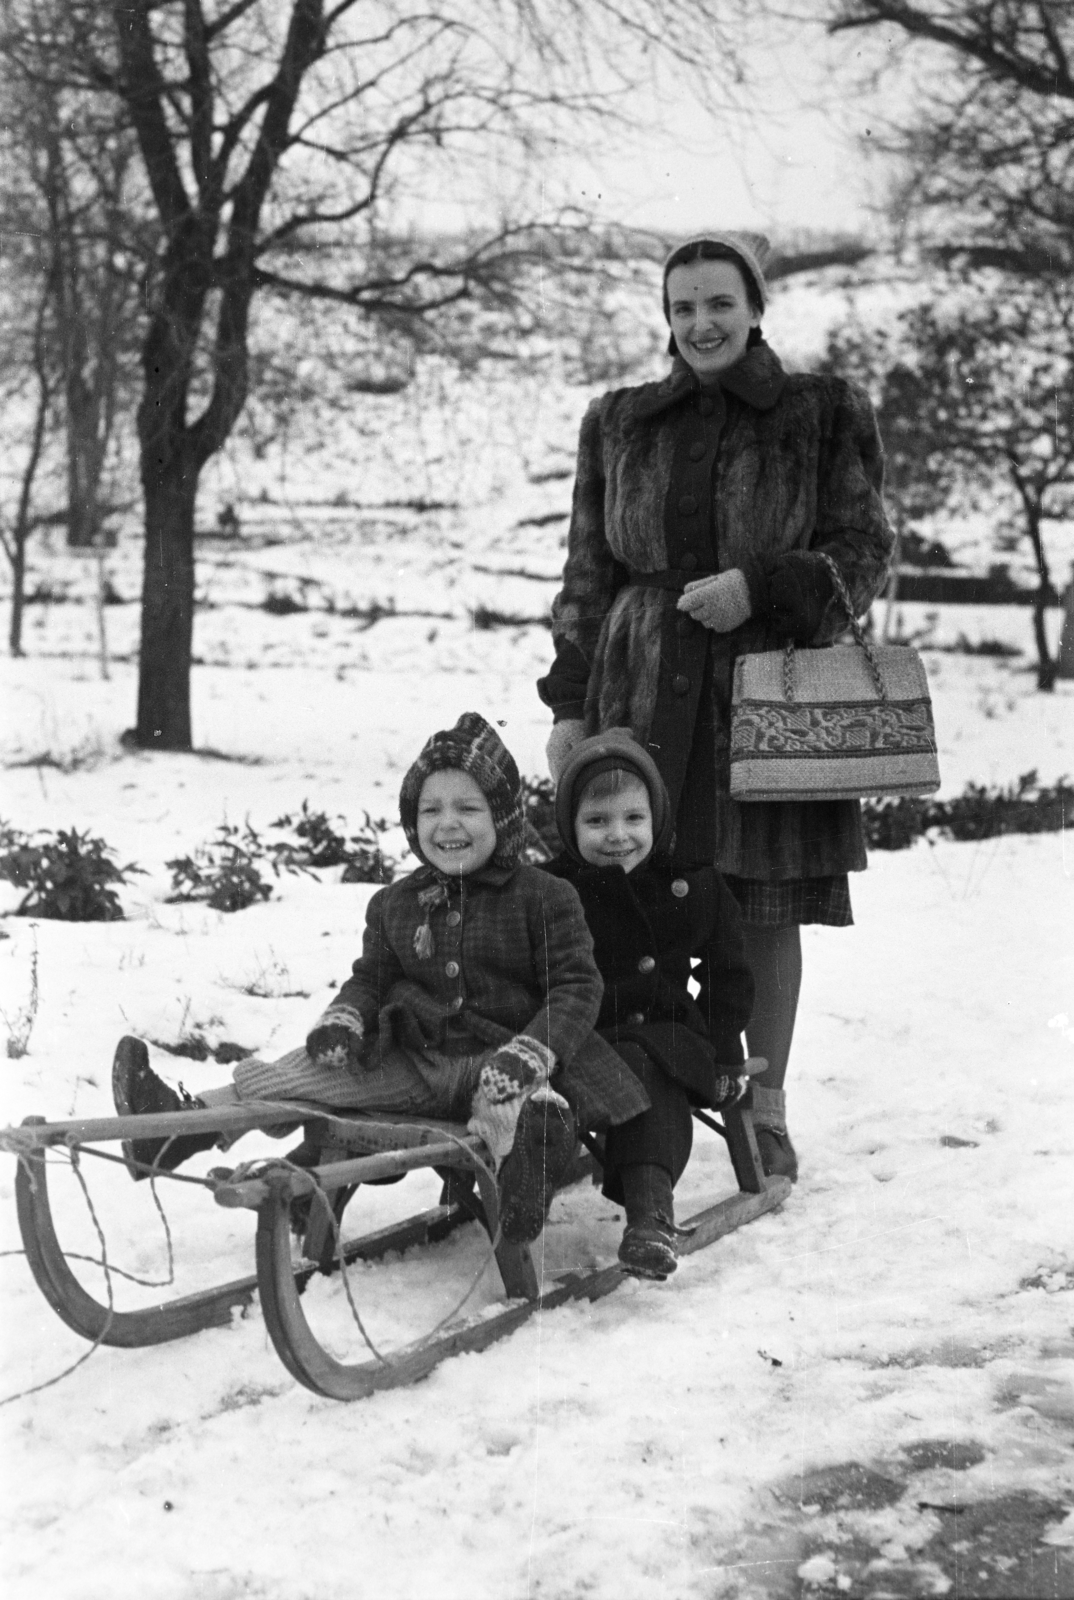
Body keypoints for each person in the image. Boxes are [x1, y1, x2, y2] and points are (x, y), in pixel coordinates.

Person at [538, 231, 895, 1183]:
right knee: (614, 895)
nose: (701, 323)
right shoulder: (617, 420)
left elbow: (865, 550)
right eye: (683, 306)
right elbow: (585, 572)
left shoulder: (820, 412)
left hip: (764, 698)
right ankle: (612, 1104)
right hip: (638, 689)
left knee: (759, 905)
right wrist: (570, 705)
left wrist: (765, 586)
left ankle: (762, 1104)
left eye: (719, 304)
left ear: (755, 307)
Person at [111, 712, 648, 1245]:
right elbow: (371, 979)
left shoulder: (543, 896)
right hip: (415, 1062)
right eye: (430, 809)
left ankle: (526, 1179)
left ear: (502, 818)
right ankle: (177, 1128)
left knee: (522, 1110)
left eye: (468, 807)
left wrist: (532, 1052)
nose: (448, 823)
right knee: (293, 1075)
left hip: (503, 1061)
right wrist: (345, 1017)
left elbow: (577, 988)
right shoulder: (396, 902)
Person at [542, 728, 757, 1280]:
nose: (618, 837)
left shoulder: (691, 884)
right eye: (596, 822)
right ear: (570, 826)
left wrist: (727, 1052)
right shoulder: (550, 889)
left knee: (646, 1075)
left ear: (656, 818)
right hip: (578, 1041)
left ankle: (649, 1214)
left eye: (633, 819)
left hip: (665, 1039)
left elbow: (727, 974)